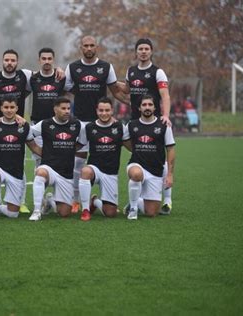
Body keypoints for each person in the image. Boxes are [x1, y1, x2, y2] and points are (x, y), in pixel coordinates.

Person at [0, 49, 64, 213]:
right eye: (7, 60)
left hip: (17, 125)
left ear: (17, 62)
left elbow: (44, 72)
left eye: (13, 60)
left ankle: (21, 201)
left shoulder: (25, 75)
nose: (9, 63)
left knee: (18, 162)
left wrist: (59, 70)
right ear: (2, 61)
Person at [64, 35, 128, 213]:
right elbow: (66, 89)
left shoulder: (106, 67)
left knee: (104, 155)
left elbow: (115, 90)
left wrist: (131, 104)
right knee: (78, 161)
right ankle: (76, 200)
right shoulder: (73, 67)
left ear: (97, 47)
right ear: (81, 47)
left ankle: (101, 196)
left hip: (102, 122)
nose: (89, 48)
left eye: (92, 45)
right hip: (81, 121)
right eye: (86, 45)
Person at [123, 38, 173, 214]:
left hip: (156, 121)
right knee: (140, 153)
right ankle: (138, 197)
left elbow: (165, 96)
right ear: (136, 52)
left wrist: (165, 116)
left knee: (161, 157)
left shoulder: (158, 72)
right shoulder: (130, 72)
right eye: (140, 49)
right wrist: (110, 83)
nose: (143, 51)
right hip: (136, 121)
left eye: (146, 49)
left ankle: (167, 200)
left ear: (151, 52)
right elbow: (127, 92)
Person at [0, 97, 41, 221]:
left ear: (17, 108)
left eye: (12, 107)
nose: (9, 110)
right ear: (1, 108)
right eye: (6, 107)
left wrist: (52, 155)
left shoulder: (24, 126)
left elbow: (34, 147)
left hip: (16, 172)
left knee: (13, 214)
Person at [29, 97, 86, 221]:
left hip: (66, 173)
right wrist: (37, 150)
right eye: (63, 108)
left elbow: (82, 142)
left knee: (64, 213)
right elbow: (28, 134)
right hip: (49, 167)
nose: (67, 111)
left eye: (68, 109)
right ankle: (37, 211)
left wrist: (69, 150)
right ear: (55, 109)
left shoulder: (77, 125)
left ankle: (50, 200)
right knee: (40, 173)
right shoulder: (44, 124)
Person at [78, 97, 131, 221]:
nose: (104, 113)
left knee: (110, 213)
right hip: (94, 169)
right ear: (96, 111)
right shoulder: (89, 127)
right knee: (85, 171)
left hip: (111, 173)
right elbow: (78, 146)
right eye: (101, 110)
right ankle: (85, 210)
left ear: (112, 110)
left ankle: (95, 202)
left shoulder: (120, 127)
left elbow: (131, 147)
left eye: (107, 110)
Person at [124, 94, 176, 220]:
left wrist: (169, 174)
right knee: (136, 174)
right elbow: (124, 141)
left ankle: (134, 200)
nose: (147, 107)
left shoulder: (164, 125)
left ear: (155, 108)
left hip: (156, 170)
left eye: (150, 105)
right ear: (139, 108)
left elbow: (170, 149)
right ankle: (133, 209)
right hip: (136, 164)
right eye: (144, 105)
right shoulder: (131, 125)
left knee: (151, 213)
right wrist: (135, 150)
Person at [29, 47, 66, 167]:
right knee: (40, 161)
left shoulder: (61, 77)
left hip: (57, 125)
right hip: (37, 124)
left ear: (53, 60)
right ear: (39, 60)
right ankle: (39, 185)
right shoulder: (33, 78)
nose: (47, 61)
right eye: (44, 58)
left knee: (59, 160)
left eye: (49, 58)